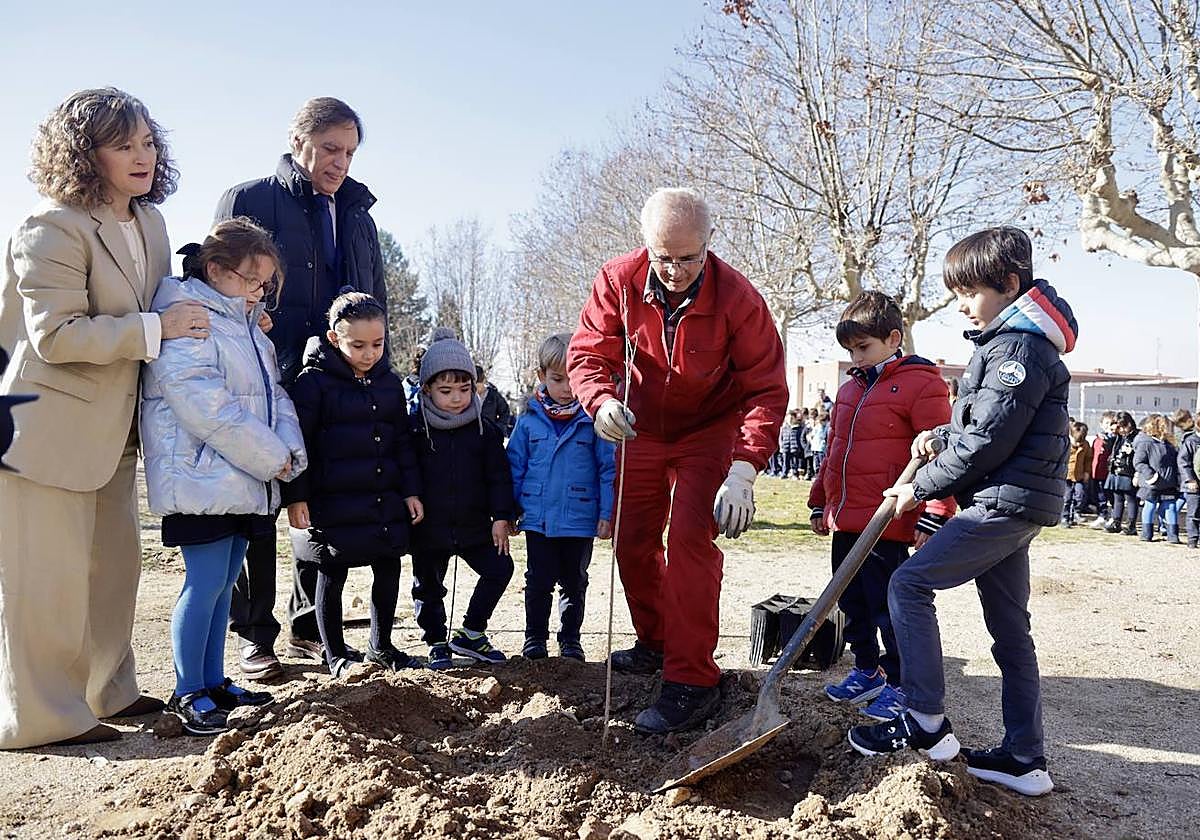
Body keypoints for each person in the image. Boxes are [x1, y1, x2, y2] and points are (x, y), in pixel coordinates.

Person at [0, 89, 208, 749]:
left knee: (114, 570)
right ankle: (42, 717)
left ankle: (105, 692)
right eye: (124, 145)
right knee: (48, 581)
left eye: (148, 141)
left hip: (115, 431)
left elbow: (168, 309)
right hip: (45, 431)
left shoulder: (149, 222)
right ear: (85, 155)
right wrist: (155, 328)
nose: (143, 156)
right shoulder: (51, 225)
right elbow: (55, 336)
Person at [848, 226, 1076, 799]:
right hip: (1010, 501)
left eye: (969, 292)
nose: (961, 304)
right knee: (1009, 631)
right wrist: (943, 432)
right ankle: (1025, 759)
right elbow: (987, 427)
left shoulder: (1016, 349)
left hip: (1003, 503)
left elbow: (990, 443)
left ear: (1008, 284)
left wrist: (917, 488)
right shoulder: (1008, 341)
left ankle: (924, 721)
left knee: (908, 582)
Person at [567, 187, 788, 733]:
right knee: (634, 538)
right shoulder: (617, 280)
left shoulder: (739, 298)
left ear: (709, 244)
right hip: (638, 426)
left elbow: (766, 388)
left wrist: (744, 469)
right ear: (646, 245)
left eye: (688, 257)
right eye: (664, 257)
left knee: (690, 539)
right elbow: (587, 352)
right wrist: (601, 401)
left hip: (708, 430)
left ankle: (692, 679)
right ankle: (658, 640)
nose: (675, 269)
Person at [215, 97, 388, 679]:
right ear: (299, 142)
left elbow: (374, 300)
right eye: (331, 149)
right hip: (268, 372)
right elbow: (216, 282)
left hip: (338, 383)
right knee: (264, 500)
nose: (340, 163)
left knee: (321, 498)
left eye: (350, 152)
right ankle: (255, 634)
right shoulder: (251, 200)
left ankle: (309, 625)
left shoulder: (360, 214)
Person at [141, 219, 306, 734]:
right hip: (201, 479)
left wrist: (287, 453)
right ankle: (188, 689)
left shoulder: (247, 325)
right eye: (251, 280)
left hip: (242, 478)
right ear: (216, 270)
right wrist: (268, 456)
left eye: (265, 284)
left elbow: (273, 393)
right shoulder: (191, 322)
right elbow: (204, 407)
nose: (259, 292)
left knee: (225, 581)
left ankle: (214, 681)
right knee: (205, 581)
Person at [809, 291, 953, 723]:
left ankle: (900, 681)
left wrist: (935, 511)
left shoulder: (923, 384)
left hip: (887, 522)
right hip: (847, 519)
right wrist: (821, 501)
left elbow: (943, 453)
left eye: (863, 347)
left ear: (894, 339)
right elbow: (835, 452)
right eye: (850, 349)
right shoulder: (850, 390)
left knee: (886, 607)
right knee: (851, 602)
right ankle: (866, 669)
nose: (856, 357)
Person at [283, 289, 425, 677]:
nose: (369, 353)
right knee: (332, 572)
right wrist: (297, 497)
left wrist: (411, 490)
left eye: (377, 344)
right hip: (332, 499)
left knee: (389, 565)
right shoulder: (312, 384)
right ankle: (335, 655)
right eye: (358, 345)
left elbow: (402, 442)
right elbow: (299, 445)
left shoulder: (389, 384)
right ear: (334, 339)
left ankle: (381, 646)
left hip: (383, 495)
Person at [507, 333, 617, 661]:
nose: (567, 388)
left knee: (575, 581)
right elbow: (515, 464)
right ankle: (534, 638)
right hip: (538, 518)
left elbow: (607, 468)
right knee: (538, 581)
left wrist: (607, 513)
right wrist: (510, 508)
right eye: (557, 379)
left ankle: (570, 639)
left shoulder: (593, 420)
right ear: (541, 376)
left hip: (580, 519)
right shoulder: (528, 419)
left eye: (573, 379)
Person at [410, 328, 515, 669]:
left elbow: (498, 477)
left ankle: (471, 632)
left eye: (464, 388)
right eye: (445, 390)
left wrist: (502, 516)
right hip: (429, 529)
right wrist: (410, 496)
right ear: (426, 389)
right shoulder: (414, 430)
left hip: (474, 526)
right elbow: (405, 470)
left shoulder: (485, 431)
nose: (456, 398)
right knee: (428, 587)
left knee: (500, 567)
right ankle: (436, 641)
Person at [1133, 414, 1180, 543]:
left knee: (1170, 507)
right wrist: (1150, 475)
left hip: (1168, 482)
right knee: (1150, 506)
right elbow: (1139, 462)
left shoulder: (1170, 444)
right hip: (1152, 483)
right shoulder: (1145, 443)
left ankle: (1173, 535)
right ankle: (1147, 533)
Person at [1104, 412, 1139, 535]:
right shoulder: (1118, 437)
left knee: (1130, 499)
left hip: (1129, 471)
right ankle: (1116, 522)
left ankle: (1131, 525)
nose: (1122, 430)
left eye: (1123, 427)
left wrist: (1137, 473)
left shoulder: (1137, 436)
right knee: (1117, 497)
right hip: (1116, 470)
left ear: (1129, 424)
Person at [1174, 409, 1200, 548]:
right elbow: (1183, 462)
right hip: (1193, 484)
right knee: (1193, 513)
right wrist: (1189, 480)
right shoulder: (1191, 441)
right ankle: (1193, 539)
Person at [1089, 411, 1115, 528]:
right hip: (1096, 472)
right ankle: (1102, 515)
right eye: (1106, 423)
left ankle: (1112, 516)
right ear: (1101, 424)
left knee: (1109, 496)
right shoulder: (1097, 439)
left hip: (1107, 473)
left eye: (1110, 423)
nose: (1108, 426)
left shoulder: (1113, 440)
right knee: (1099, 495)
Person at [1062, 422, 1091, 527]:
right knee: (1067, 497)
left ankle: (1075, 514)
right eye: (1077, 441)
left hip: (1079, 475)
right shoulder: (1066, 444)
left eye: (1081, 441)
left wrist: (1087, 472)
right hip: (1066, 476)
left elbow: (1088, 460)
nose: (1079, 444)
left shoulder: (1086, 445)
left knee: (1079, 495)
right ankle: (1065, 517)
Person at [476, 364, 514, 436]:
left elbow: (505, 412)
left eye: (478, 385)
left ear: (483, 381)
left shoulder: (493, 395)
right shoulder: (468, 396)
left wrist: (499, 428)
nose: (477, 389)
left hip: (490, 437)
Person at [810, 410, 830, 476]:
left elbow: (825, 437)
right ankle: (817, 474)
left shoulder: (827, 427)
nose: (821, 423)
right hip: (815, 447)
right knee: (816, 462)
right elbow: (812, 435)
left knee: (822, 462)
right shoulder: (817, 427)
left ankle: (822, 474)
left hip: (822, 448)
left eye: (823, 421)